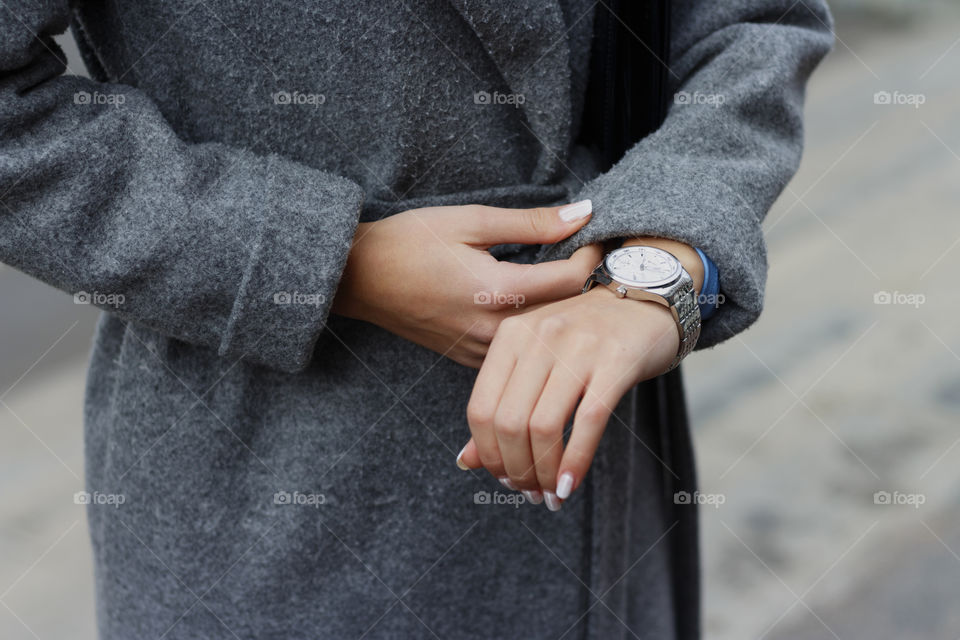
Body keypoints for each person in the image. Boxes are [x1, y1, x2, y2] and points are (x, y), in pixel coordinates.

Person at [0, 0, 833, 638]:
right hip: (267, 477)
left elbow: (754, 23)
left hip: (601, 439)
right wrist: (326, 257)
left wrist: (658, 264)